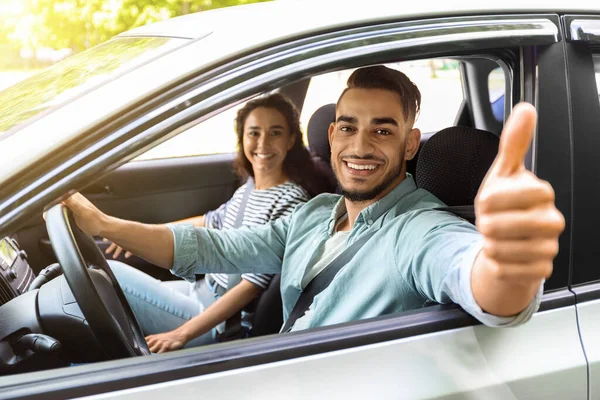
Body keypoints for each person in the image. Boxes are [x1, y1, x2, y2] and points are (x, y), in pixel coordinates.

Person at [63, 65, 564, 338]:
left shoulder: (419, 229)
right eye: (349, 127)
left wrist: (511, 266)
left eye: (383, 131)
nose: (361, 147)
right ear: (331, 135)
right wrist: (103, 222)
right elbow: (212, 246)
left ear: (411, 145)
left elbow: (473, 274)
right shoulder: (313, 214)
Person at [103, 93, 327, 352]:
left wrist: (181, 334)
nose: (263, 143)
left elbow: (251, 286)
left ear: (290, 141)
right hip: (201, 291)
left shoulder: (291, 201)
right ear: (242, 138)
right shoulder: (250, 188)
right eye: (254, 133)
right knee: (107, 279)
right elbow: (210, 221)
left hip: (222, 321)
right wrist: (142, 234)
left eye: (275, 133)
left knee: (110, 276)